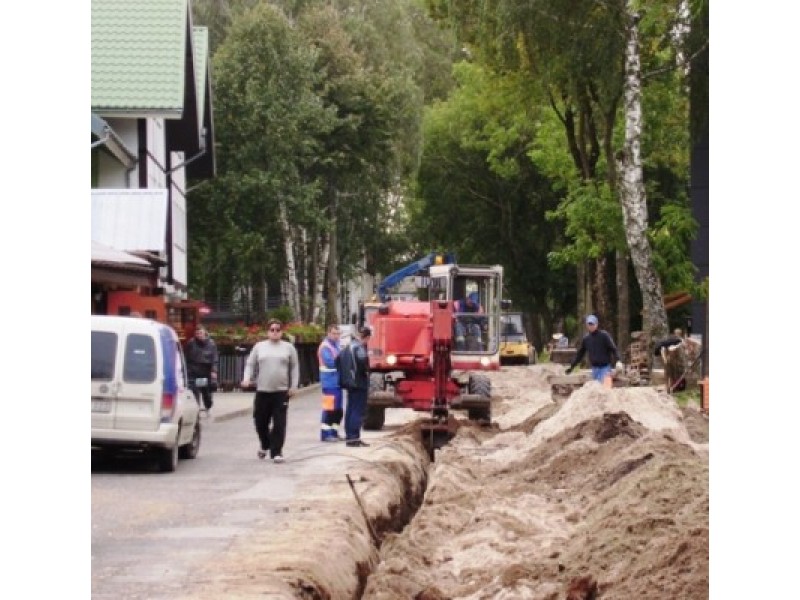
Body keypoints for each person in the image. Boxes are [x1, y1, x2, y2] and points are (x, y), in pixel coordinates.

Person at [240, 319, 300, 463]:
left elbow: (294, 367)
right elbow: (250, 364)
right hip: (263, 390)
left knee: (279, 423)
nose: (275, 332)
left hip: (281, 392)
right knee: (260, 421)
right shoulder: (260, 347)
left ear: (282, 332)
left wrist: (293, 386)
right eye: (272, 329)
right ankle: (265, 443)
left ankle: (276, 451)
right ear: (267, 332)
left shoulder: (288, 348)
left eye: (277, 330)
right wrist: (246, 378)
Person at [339, 325, 372, 447]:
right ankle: (354, 437)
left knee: (350, 409)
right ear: (367, 337)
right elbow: (363, 364)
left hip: (350, 383)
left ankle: (349, 436)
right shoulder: (359, 348)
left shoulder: (349, 346)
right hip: (359, 383)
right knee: (357, 410)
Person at [566, 314, 622, 383]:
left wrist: (618, 360)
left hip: (605, 368)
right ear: (587, 325)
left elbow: (613, 349)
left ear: (597, 324)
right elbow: (580, 354)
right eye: (589, 324)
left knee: (604, 389)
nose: (591, 326)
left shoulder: (604, 335)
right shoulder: (586, 339)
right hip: (595, 369)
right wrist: (572, 366)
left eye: (592, 324)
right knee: (596, 389)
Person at [317, 325, 344, 442]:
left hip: (336, 383)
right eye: (334, 333)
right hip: (329, 383)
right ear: (328, 333)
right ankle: (325, 434)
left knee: (338, 410)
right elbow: (330, 363)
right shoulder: (325, 347)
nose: (336, 336)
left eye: (338, 334)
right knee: (329, 409)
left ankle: (334, 432)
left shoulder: (336, 345)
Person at [184, 325, 219, 414]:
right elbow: (186, 356)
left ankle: (208, 405)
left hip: (205, 371)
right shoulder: (191, 343)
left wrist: (213, 370)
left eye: (200, 333)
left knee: (205, 391)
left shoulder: (211, 344)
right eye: (197, 333)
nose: (199, 335)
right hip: (193, 370)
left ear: (204, 333)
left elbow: (214, 358)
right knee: (194, 390)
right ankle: (196, 408)